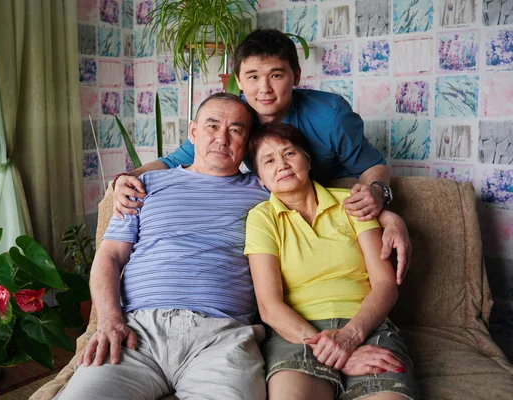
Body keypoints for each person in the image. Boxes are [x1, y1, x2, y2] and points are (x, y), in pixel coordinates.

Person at [112, 29, 412, 285]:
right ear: (238, 81)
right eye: (253, 77)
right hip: (277, 216)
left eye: (276, 75)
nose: (264, 89)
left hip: (332, 209)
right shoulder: (234, 119)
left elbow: (372, 167)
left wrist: (379, 197)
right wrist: (124, 180)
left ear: (296, 76)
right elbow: (170, 162)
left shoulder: (331, 114)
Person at [55, 93, 269, 400]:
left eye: (235, 130)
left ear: (247, 142)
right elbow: (110, 255)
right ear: (193, 132)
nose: (222, 138)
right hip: (136, 332)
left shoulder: (265, 192)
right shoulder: (146, 185)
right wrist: (110, 321)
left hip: (222, 336)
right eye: (212, 126)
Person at [244, 122, 417, 400]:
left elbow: (385, 284)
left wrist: (350, 337)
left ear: (308, 160)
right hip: (297, 334)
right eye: (269, 160)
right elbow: (269, 307)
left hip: (366, 325)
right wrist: (332, 349)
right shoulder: (261, 218)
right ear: (261, 179)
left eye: (289, 153)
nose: (282, 165)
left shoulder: (352, 203)